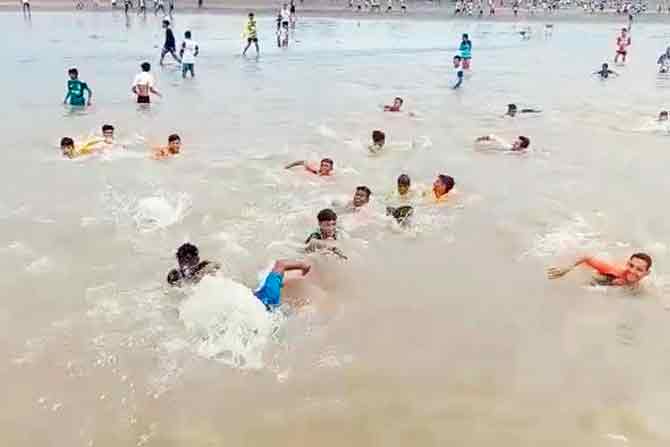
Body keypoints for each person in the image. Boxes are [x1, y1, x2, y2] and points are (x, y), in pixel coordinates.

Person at [547, 253, 652, 288]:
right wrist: (566, 269)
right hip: (604, 278)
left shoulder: (642, 285)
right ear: (627, 264)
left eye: (639, 269)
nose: (633, 271)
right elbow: (586, 257)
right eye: (631, 265)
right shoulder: (615, 271)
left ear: (646, 273)